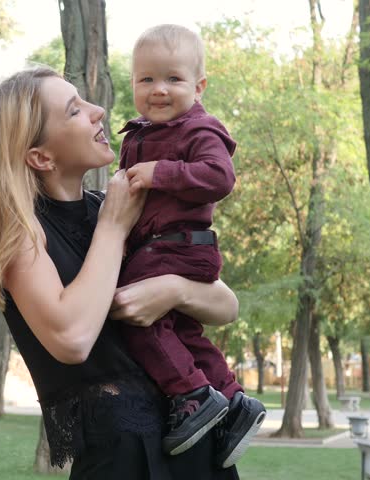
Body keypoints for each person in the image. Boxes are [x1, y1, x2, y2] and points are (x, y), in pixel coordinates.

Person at [0, 67, 242, 479]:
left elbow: (225, 305)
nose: (99, 112)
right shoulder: (20, 234)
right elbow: (71, 339)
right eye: (75, 111)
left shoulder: (116, 207)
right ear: (40, 156)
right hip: (126, 462)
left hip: (199, 445)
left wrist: (172, 290)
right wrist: (112, 227)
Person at [116, 24, 266, 464]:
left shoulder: (199, 130)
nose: (158, 90)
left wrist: (161, 171)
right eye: (146, 79)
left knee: (136, 319)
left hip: (179, 248)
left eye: (173, 79)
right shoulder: (138, 134)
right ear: (133, 83)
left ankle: (192, 395)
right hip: (157, 248)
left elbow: (220, 178)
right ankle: (234, 399)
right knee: (181, 331)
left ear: (199, 86)